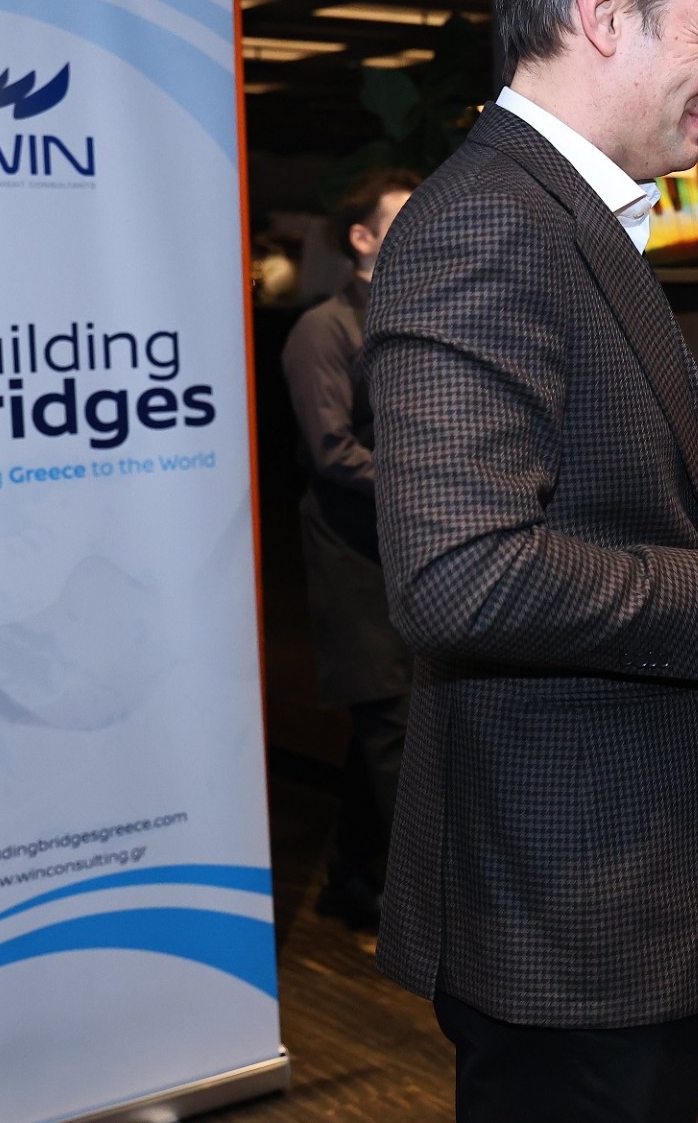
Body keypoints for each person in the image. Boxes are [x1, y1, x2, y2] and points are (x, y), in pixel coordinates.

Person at [363, 0, 698, 1121]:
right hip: (564, 909)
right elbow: (459, 574)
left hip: (603, 900)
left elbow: (588, 508)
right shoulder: (492, 223)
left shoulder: (559, 216)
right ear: (602, 12)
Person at [280, 167, 420, 932]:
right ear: (361, 238)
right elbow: (331, 450)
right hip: (351, 551)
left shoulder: (420, 313)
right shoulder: (324, 329)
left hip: (407, 547)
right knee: (391, 718)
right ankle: (441, 910)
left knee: (390, 716)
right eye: (403, 220)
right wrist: (430, 482)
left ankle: (349, 880)